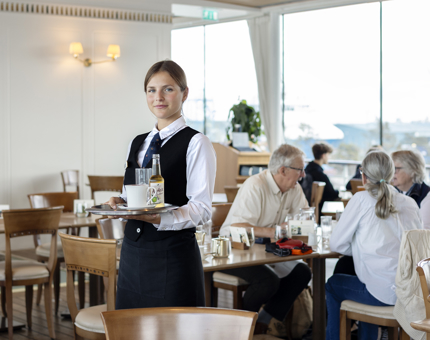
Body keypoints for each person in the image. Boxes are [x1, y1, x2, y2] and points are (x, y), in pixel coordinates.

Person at [107, 60, 216, 309]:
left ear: (184, 93)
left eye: (167, 89)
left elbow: (202, 208)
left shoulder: (197, 143)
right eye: (151, 90)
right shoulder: (137, 142)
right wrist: (120, 202)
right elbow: (133, 195)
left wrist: (157, 219)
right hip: (132, 255)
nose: (158, 97)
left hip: (173, 257)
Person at [325, 151, 422, 340]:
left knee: (332, 285)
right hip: (410, 292)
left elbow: (336, 244)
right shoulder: (410, 203)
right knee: (368, 281)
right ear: (391, 174)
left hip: (382, 294)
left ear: (363, 175)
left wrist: (359, 248)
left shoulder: (361, 200)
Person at [219, 144, 312, 337]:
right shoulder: (256, 185)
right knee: (268, 281)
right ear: (283, 170)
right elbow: (237, 230)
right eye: (300, 170)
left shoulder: (294, 189)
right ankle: (240, 327)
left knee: (302, 272)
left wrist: (294, 227)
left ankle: (263, 321)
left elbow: (306, 222)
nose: (303, 174)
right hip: (231, 251)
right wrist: (276, 231)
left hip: (265, 251)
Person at [391, 150, 430, 229]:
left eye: (395, 169)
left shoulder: (426, 196)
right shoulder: (391, 191)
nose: (392, 173)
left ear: (412, 170)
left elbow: (424, 232)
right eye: (390, 169)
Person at [305, 143, 340, 214]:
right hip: (320, 211)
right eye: (328, 155)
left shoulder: (307, 169)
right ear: (323, 155)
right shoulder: (320, 174)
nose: (328, 157)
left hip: (308, 208)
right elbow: (332, 194)